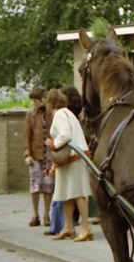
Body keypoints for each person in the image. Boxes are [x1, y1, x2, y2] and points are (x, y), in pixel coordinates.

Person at [44, 88, 93, 242]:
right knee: (65, 193)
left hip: (73, 158)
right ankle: (68, 227)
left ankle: (85, 228)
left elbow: (65, 135)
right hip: (69, 159)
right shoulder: (66, 113)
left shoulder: (60, 114)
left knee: (78, 192)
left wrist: (52, 144)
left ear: (51, 102)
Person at [23, 86, 54, 228]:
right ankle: (35, 214)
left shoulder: (50, 114)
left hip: (49, 155)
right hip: (36, 155)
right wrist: (27, 154)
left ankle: (47, 214)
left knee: (48, 186)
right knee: (34, 186)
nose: (34, 104)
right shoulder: (31, 114)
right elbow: (27, 135)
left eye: (36, 101)